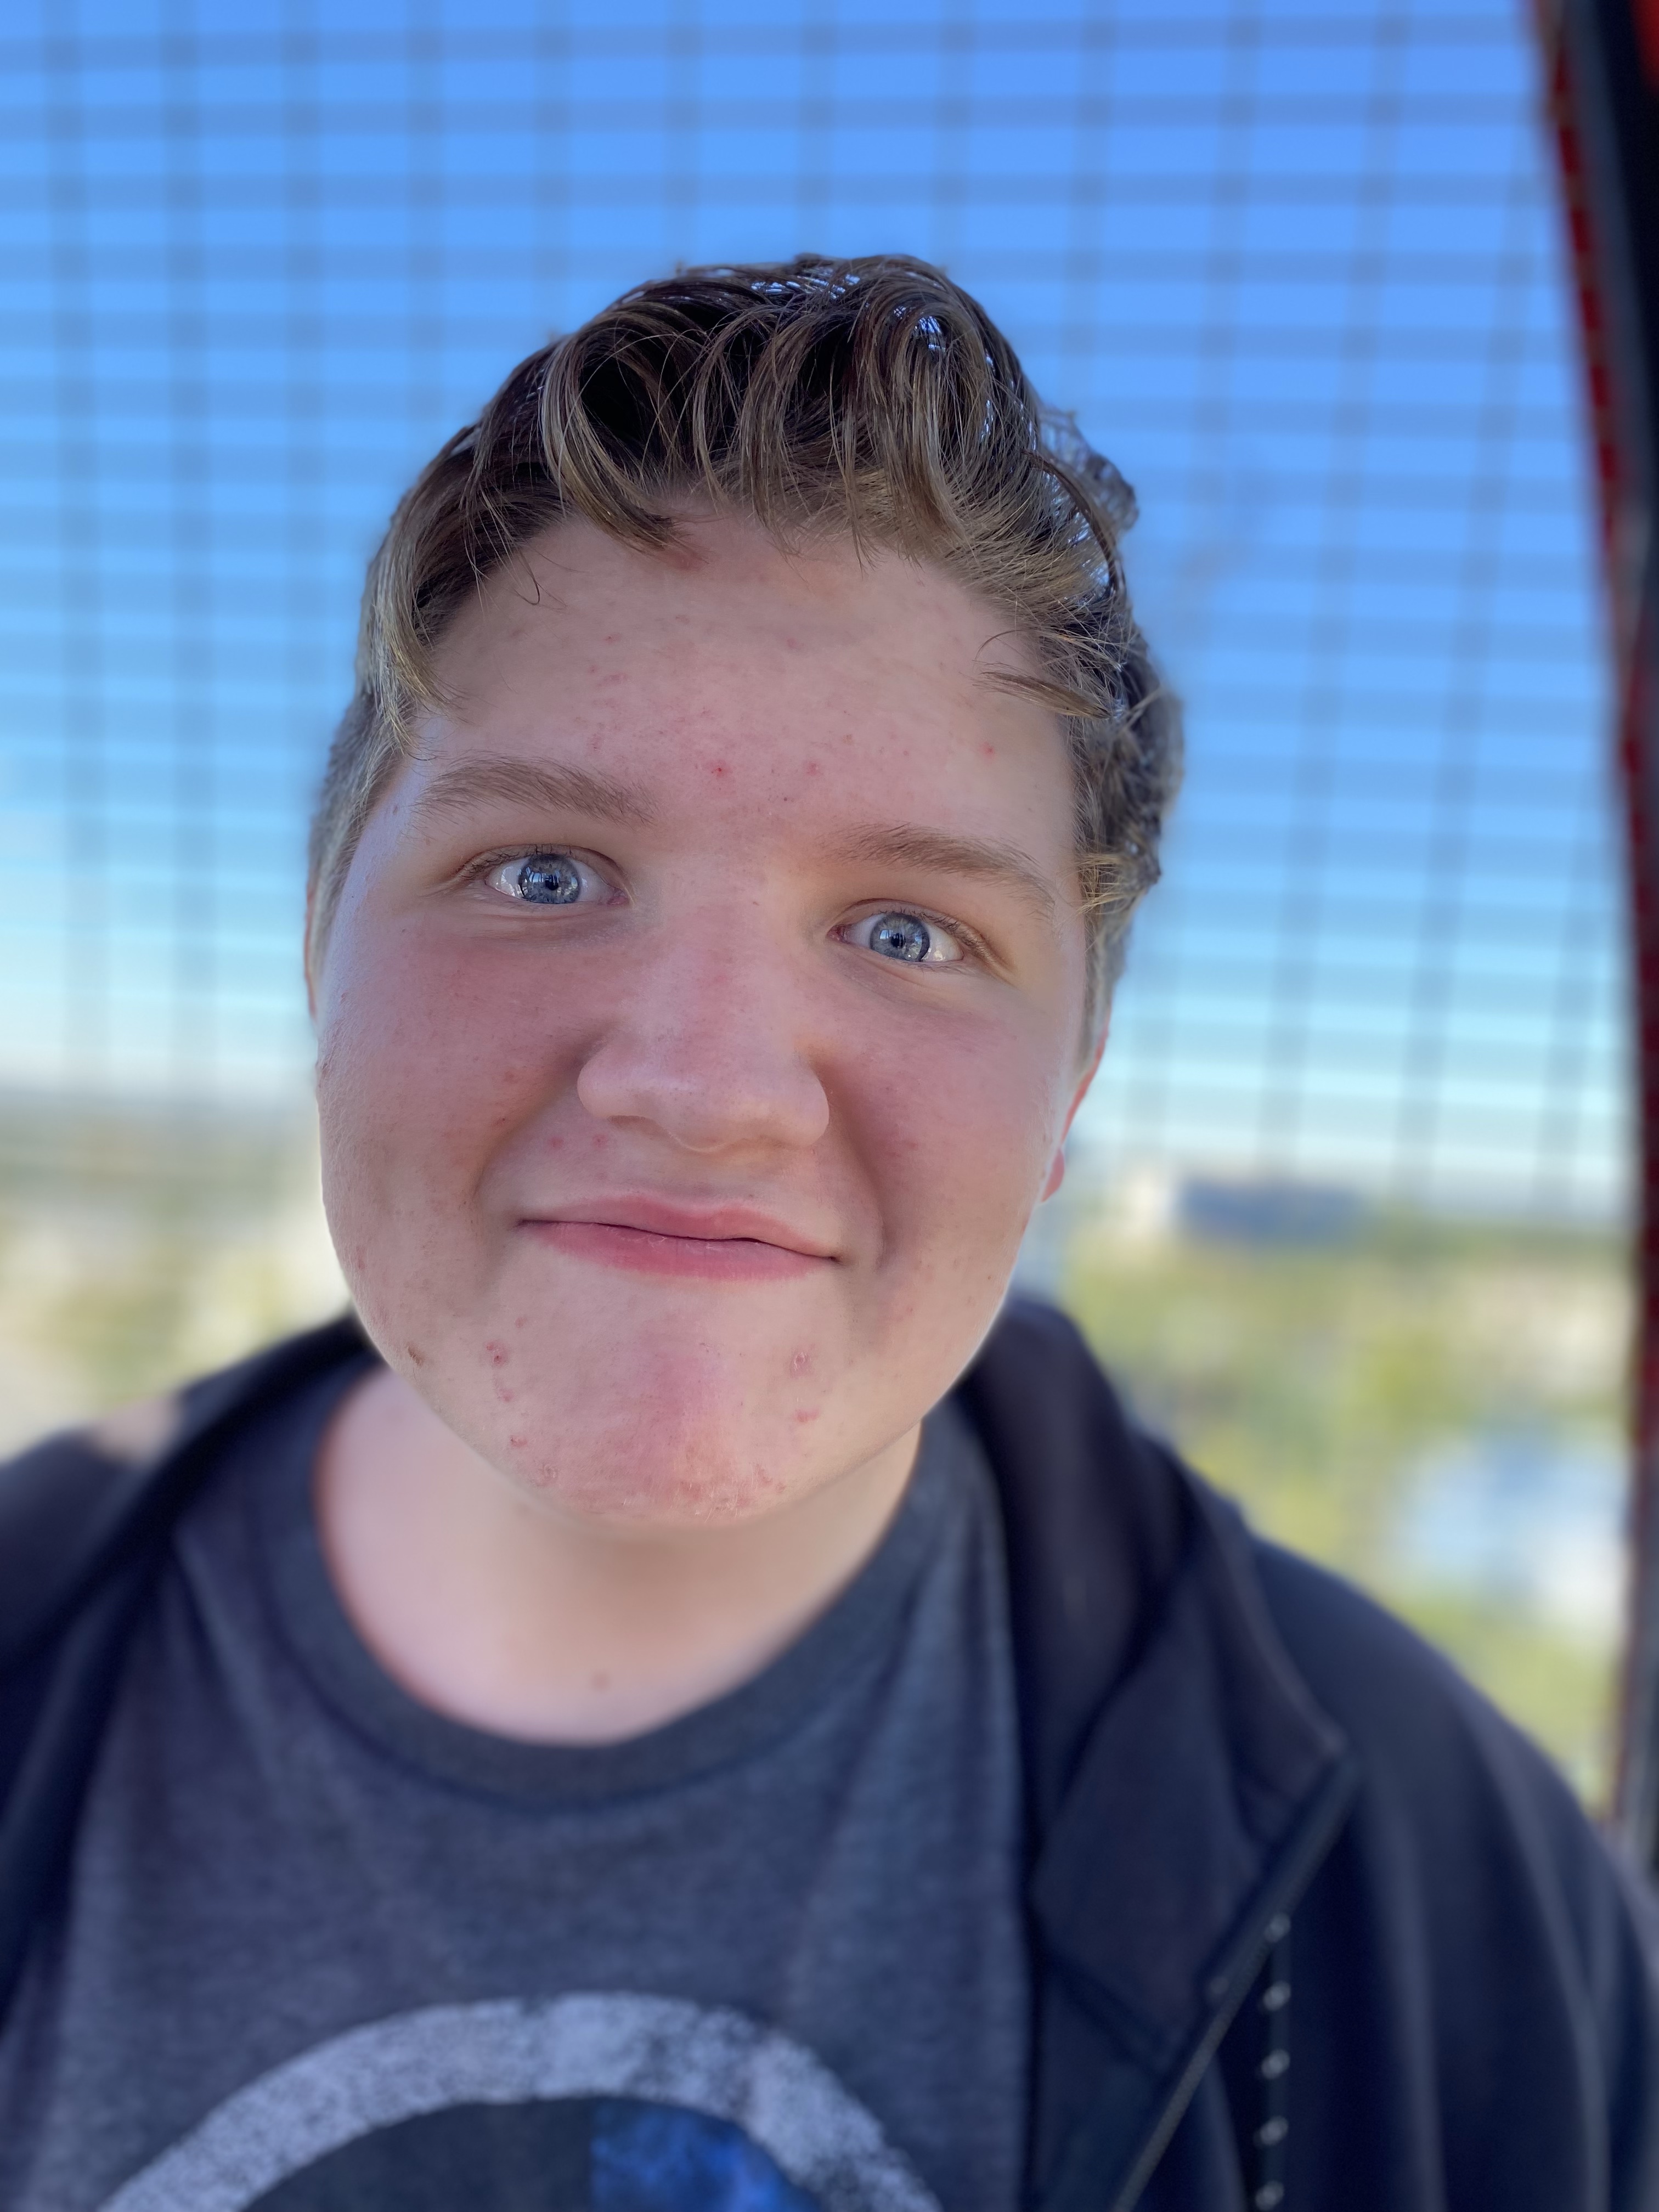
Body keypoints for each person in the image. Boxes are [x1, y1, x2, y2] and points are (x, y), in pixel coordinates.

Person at [0, 255, 1653, 2212]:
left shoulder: (1448, 1902)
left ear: (1074, 1085)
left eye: (906, 931)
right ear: (318, 955)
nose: (706, 1087)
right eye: (544, 873)